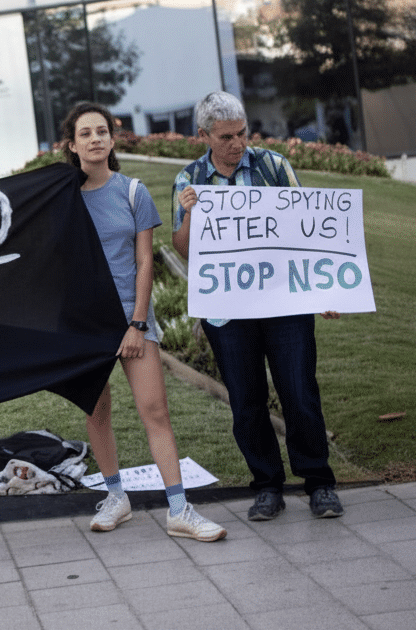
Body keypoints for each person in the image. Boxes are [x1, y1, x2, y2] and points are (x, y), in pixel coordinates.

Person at [172, 91, 344, 521]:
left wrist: (323, 290)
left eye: (242, 133)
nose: (237, 143)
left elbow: (307, 229)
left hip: (284, 303)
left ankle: (319, 484)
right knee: (246, 401)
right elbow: (185, 249)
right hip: (227, 312)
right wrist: (190, 215)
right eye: (226, 136)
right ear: (204, 136)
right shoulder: (189, 179)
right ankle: (267, 486)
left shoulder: (273, 166)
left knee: (299, 393)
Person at [62, 103, 226, 542]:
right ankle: (116, 497)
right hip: (87, 327)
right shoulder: (61, 200)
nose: (95, 139)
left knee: (155, 412)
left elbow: (143, 263)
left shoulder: (133, 192)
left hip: (133, 322)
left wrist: (136, 324)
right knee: (96, 413)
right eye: (86, 133)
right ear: (72, 145)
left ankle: (179, 509)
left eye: (102, 132)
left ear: (112, 141)